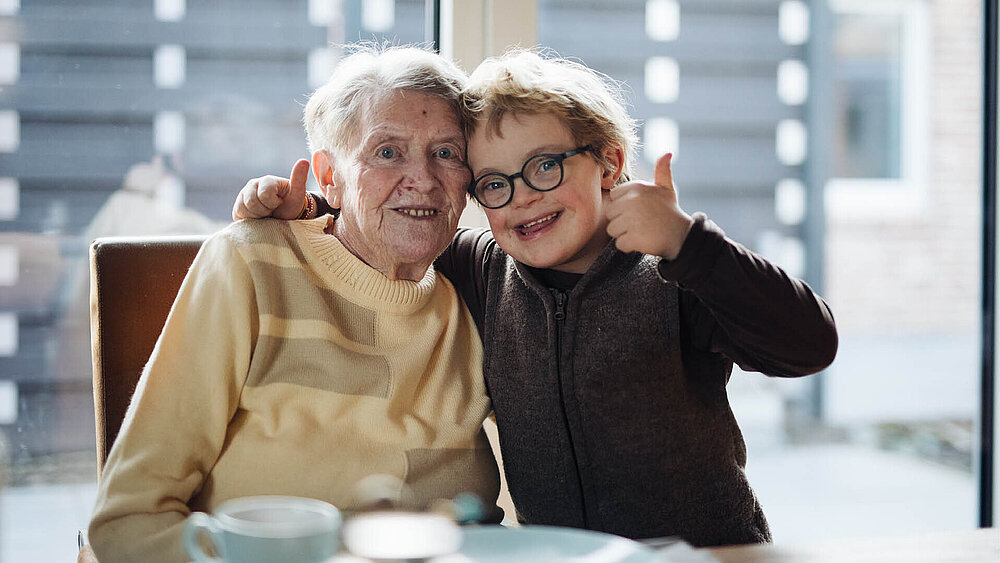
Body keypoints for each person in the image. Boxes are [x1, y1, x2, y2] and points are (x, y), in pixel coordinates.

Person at [233, 49, 838, 547]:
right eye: (494, 183)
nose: (522, 197)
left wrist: (689, 246)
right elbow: (391, 223)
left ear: (609, 164)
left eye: (544, 167)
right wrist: (313, 208)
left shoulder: (673, 276)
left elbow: (808, 345)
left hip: (710, 555)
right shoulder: (481, 268)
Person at [87, 46, 501, 563]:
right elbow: (129, 520)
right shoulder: (251, 265)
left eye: (446, 153)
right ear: (330, 177)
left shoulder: (481, 290)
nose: (423, 178)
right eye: (387, 153)